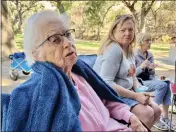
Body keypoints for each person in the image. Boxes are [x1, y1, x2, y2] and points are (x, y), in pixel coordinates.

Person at [1, 10, 148, 132]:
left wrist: (130, 117)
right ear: (36, 54)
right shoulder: (44, 92)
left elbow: (107, 101)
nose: (67, 43)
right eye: (55, 39)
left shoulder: (81, 73)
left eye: (67, 35)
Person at [93, 14, 161, 129]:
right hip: (109, 96)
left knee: (157, 110)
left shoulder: (129, 50)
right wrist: (135, 96)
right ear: (114, 31)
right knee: (147, 113)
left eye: (131, 30)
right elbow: (106, 83)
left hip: (126, 93)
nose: (127, 33)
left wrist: (140, 92)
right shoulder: (114, 49)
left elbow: (132, 76)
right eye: (123, 30)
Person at [135, 32, 175, 130]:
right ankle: (154, 115)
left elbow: (152, 74)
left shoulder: (150, 54)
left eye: (151, 40)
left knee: (167, 83)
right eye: (147, 41)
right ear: (141, 42)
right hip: (139, 82)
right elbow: (132, 75)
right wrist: (141, 66)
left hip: (149, 80)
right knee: (162, 85)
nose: (150, 43)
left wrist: (151, 69)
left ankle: (165, 117)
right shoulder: (134, 54)